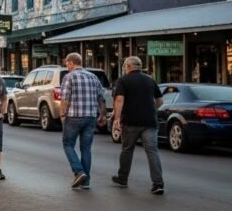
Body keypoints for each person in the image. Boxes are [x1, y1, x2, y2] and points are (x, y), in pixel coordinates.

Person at [111, 56, 165, 194]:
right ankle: (158, 183)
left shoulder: (123, 80)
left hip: (130, 121)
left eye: (124, 65)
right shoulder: (150, 79)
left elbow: (119, 100)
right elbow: (160, 101)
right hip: (150, 122)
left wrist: (117, 118)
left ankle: (123, 179)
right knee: (152, 151)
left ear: (128, 66)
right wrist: (151, 109)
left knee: (127, 149)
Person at [58, 52, 107, 190]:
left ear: (71, 63)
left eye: (67, 63)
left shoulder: (69, 77)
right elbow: (101, 98)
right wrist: (102, 115)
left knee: (68, 144)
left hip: (74, 116)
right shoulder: (93, 77)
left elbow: (65, 99)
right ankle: (86, 181)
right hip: (90, 117)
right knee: (86, 149)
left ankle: (79, 172)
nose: (66, 66)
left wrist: (62, 115)